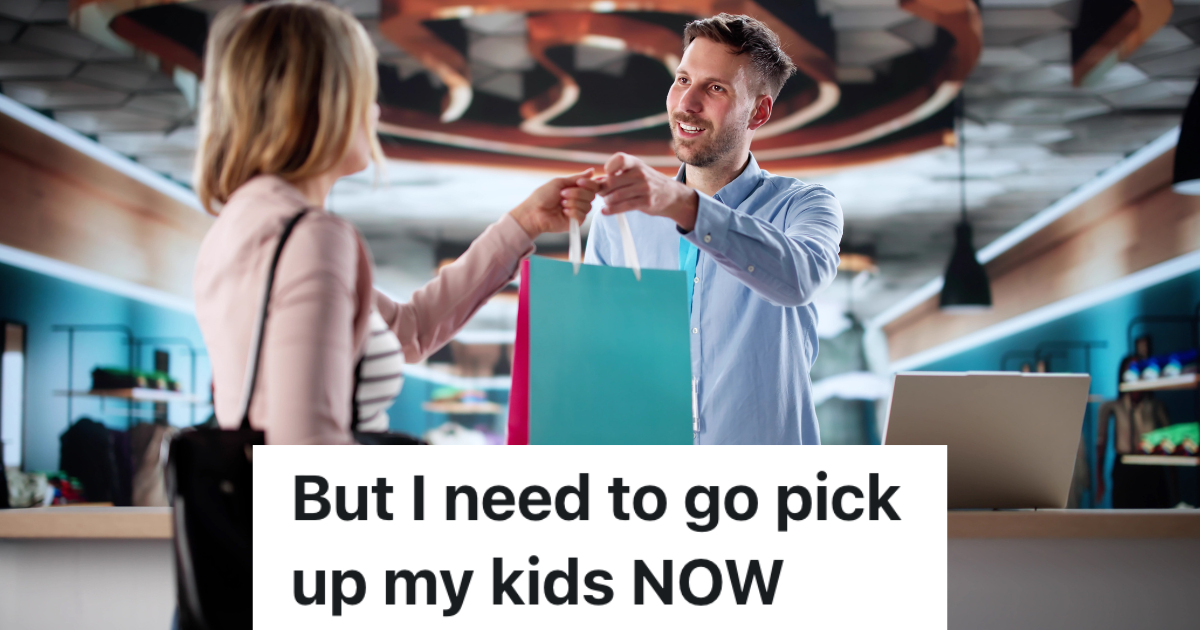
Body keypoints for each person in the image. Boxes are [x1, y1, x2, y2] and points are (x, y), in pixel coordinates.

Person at [192, 0, 598, 444]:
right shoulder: (312, 237)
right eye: (364, 91)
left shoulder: (241, 225)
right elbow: (307, 452)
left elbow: (410, 330)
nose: (375, 113)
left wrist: (524, 223)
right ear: (321, 101)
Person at [585, 13, 843, 445]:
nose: (687, 103)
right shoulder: (621, 218)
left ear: (758, 112)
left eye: (715, 88)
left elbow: (800, 277)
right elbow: (598, 352)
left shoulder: (804, 205)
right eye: (683, 80)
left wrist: (683, 206)